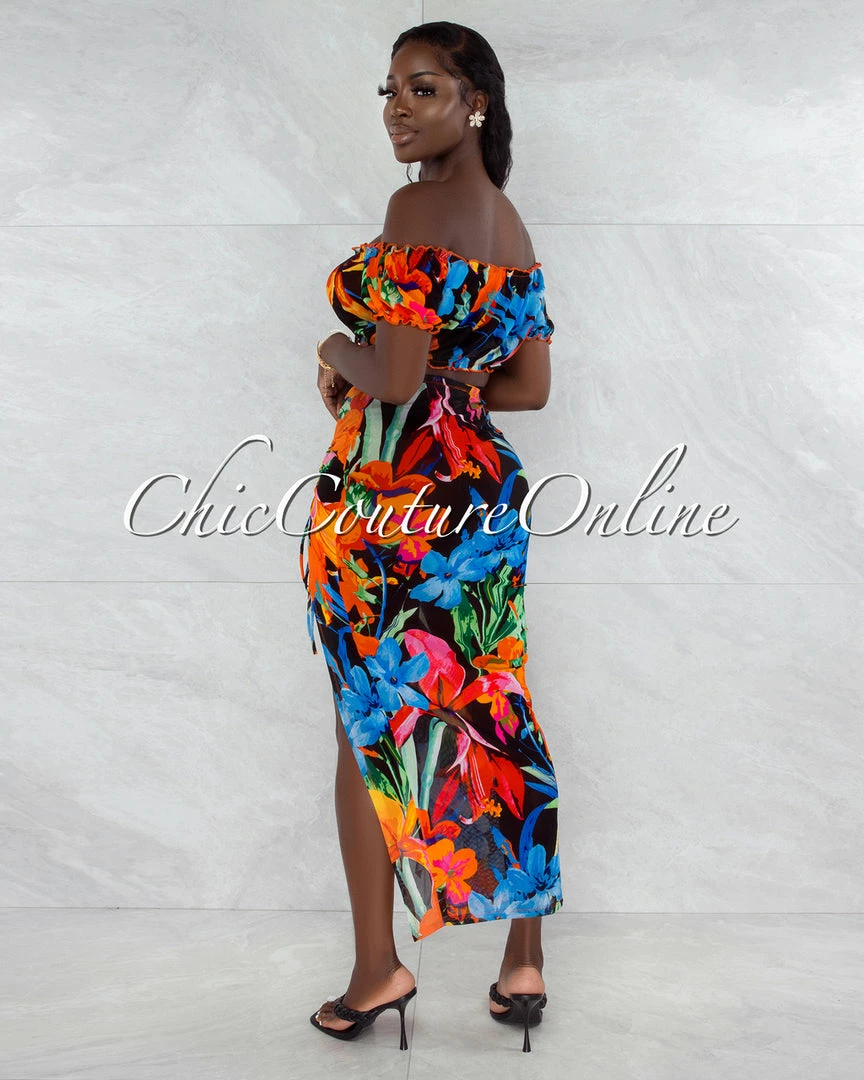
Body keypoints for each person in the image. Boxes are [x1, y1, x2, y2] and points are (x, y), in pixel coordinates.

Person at [299, 22, 563, 1053]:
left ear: (475, 102)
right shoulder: (510, 224)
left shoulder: (416, 206)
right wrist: (455, 381)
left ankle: (378, 969)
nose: (397, 110)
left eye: (423, 89)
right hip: (481, 500)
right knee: (493, 702)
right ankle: (523, 960)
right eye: (389, 90)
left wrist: (335, 346)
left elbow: (395, 375)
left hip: (391, 495)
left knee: (369, 722)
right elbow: (528, 388)